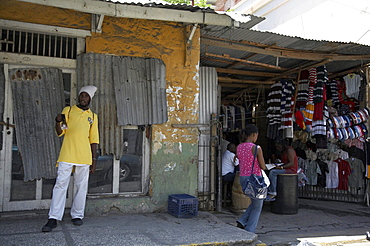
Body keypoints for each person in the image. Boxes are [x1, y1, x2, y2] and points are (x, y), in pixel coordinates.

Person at [42, 85, 99, 232]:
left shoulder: (93, 117)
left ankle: (77, 215)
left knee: (81, 186)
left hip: (84, 156)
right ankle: (53, 217)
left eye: (86, 96)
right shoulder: (68, 111)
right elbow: (61, 132)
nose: (83, 98)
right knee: (60, 184)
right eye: (82, 95)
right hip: (67, 154)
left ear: (90, 99)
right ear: (78, 97)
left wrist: (94, 160)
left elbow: (94, 140)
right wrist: (57, 121)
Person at [236, 124, 267, 233]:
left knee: (255, 202)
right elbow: (263, 166)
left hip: (243, 178)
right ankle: (250, 230)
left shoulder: (239, 147)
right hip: (255, 179)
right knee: (258, 207)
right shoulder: (256, 148)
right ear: (254, 135)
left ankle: (242, 220)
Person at [266, 137, 298, 201]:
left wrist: (281, 167)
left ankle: (273, 192)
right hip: (286, 168)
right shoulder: (284, 151)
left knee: (273, 172)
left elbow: (291, 163)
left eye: (278, 146)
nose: (278, 148)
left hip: (291, 170)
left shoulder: (289, 150)